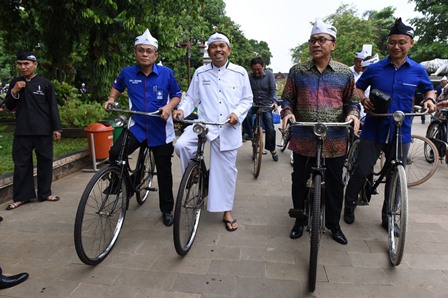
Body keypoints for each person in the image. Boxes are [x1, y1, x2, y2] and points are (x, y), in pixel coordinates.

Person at [344, 18, 437, 228]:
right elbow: (358, 87)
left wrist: (430, 99)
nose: (396, 46)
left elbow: (428, 89)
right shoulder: (375, 68)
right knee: (361, 169)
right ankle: (349, 204)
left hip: (401, 132)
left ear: (410, 43)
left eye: (402, 42)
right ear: (387, 44)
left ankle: (389, 216)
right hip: (374, 128)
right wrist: (363, 99)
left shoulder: (418, 70)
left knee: (396, 174)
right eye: (392, 42)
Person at [281, 19, 360, 245]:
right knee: (299, 180)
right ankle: (299, 220)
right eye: (313, 40)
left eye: (321, 40)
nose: (316, 44)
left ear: (332, 45)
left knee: (336, 183)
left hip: (335, 139)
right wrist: (288, 113)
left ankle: (333, 224)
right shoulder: (297, 71)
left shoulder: (345, 73)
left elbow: (352, 101)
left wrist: (353, 115)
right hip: (304, 136)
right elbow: (287, 98)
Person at [173, 32, 253, 232]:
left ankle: (226, 210)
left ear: (228, 50)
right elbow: (191, 97)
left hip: (227, 126)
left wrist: (236, 114)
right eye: (213, 46)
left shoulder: (240, 72)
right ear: (208, 51)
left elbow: (247, 99)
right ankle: (196, 175)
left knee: (224, 171)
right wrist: (183, 109)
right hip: (204, 123)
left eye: (222, 46)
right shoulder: (200, 73)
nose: (218, 49)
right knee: (182, 145)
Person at [103, 29, 182, 227]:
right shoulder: (127, 72)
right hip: (137, 126)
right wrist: (111, 98)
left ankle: (166, 209)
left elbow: (177, 94)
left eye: (149, 51)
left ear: (155, 55)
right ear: (135, 53)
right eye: (141, 50)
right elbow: (117, 87)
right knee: (115, 153)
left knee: (164, 171)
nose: (144, 54)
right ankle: (124, 184)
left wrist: (169, 107)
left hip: (161, 130)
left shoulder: (166, 73)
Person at [3, 50, 62, 210]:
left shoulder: (45, 84)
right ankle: (22, 197)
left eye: (26, 64)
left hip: (43, 130)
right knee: (21, 164)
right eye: (20, 64)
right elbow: (9, 106)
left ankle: (45, 193)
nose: (23, 67)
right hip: (22, 131)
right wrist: (14, 91)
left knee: (45, 162)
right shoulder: (15, 83)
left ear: (34, 64)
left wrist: (57, 128)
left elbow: (52, 107)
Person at [245, 57, 279, 161]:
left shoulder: (269, 75)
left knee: (271, 129)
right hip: (253, 103)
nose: (256, 71)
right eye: (254, 69)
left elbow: (273, 90)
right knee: (245, 115)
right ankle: (250, 135)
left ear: (263, 67)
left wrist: (275, 102)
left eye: (258, 69)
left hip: (266, 105)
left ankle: (272, 150)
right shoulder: (249, 76)